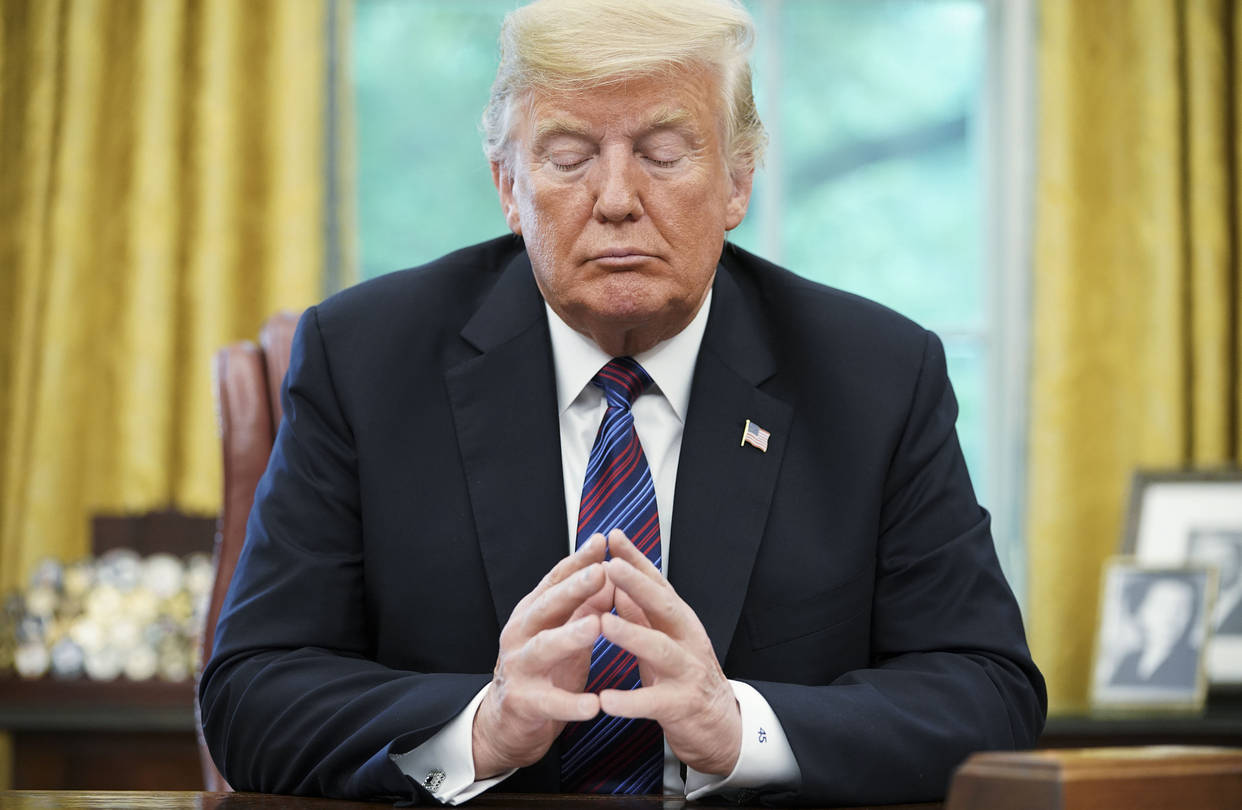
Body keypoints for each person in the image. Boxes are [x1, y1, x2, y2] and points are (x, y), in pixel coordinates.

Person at [198, 0, 1046, 805]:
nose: (615, 198)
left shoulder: (875, 378)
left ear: (738, 180)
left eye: (664, 152)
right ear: (508, 184)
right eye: (568, 158)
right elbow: (252, 692)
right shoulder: (365, 361)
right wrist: (485, 727)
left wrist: (737, 727)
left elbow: (987, 690)